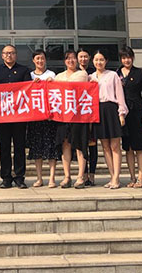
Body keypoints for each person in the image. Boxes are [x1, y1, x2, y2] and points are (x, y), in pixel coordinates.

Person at [0, 44, 30, 189]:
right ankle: (6, 177)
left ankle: (20, 177)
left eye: (12, 53)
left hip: (19, 115)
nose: (9, 55)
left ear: (16, 55)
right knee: (4, 147)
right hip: (3, 115)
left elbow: (28, 88)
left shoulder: (24, 70)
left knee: (19, 147)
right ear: (2, 55)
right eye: (6, 53)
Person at [91, 50, 128, 189]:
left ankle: (117, 178)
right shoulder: (90, 77)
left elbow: (120, 95)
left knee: (115, 146)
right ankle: (112, 176)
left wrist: (121, 113)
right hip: (98, 111)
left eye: (101, 59)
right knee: (105, 147)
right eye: (96, 59)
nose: (99, 62)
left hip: (112, 110)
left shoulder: (113, 75)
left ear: (106, 61)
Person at [53, 49, 89, 189]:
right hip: (63, 116)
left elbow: (71, 85)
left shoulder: (82, 74)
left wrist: (56, 82)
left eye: (73, 58)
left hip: (79, 116)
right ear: (64, 61)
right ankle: (67, 176)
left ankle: (80, 176)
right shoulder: (59, 76)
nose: (71, 61)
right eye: (68, 58)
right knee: (65, 144)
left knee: (80, 145)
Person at [117, 46, 142, 188]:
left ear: (133, 58)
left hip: (137, 112)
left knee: (139, 147)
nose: (127, 60)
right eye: (124, 58)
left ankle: (141, 178)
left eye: (129, 57)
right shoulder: (117, 73)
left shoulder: (139, 73)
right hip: (123, 115)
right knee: (128, 148)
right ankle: (132, 177)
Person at [26, 49, 60, 188]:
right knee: (37, 149)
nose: (40, 61)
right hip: (35, 118)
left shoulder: (52, 74)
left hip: (50, 118)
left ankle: (52, 178)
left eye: (42, 58)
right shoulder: (29, 75)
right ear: (33, 61)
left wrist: (52, 83)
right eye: (37, 59)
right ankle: (39, 178)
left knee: (51, 149)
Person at [77, 48, 98, 186]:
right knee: (81, 145)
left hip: (92, 113)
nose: (83, 59)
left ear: (89, 58)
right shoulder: (74, 73)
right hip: (78, 115)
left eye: (85, 56)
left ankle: (92, 174)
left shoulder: (94, 73)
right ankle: (83, 174)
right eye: (81, 56)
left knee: (93, 146)